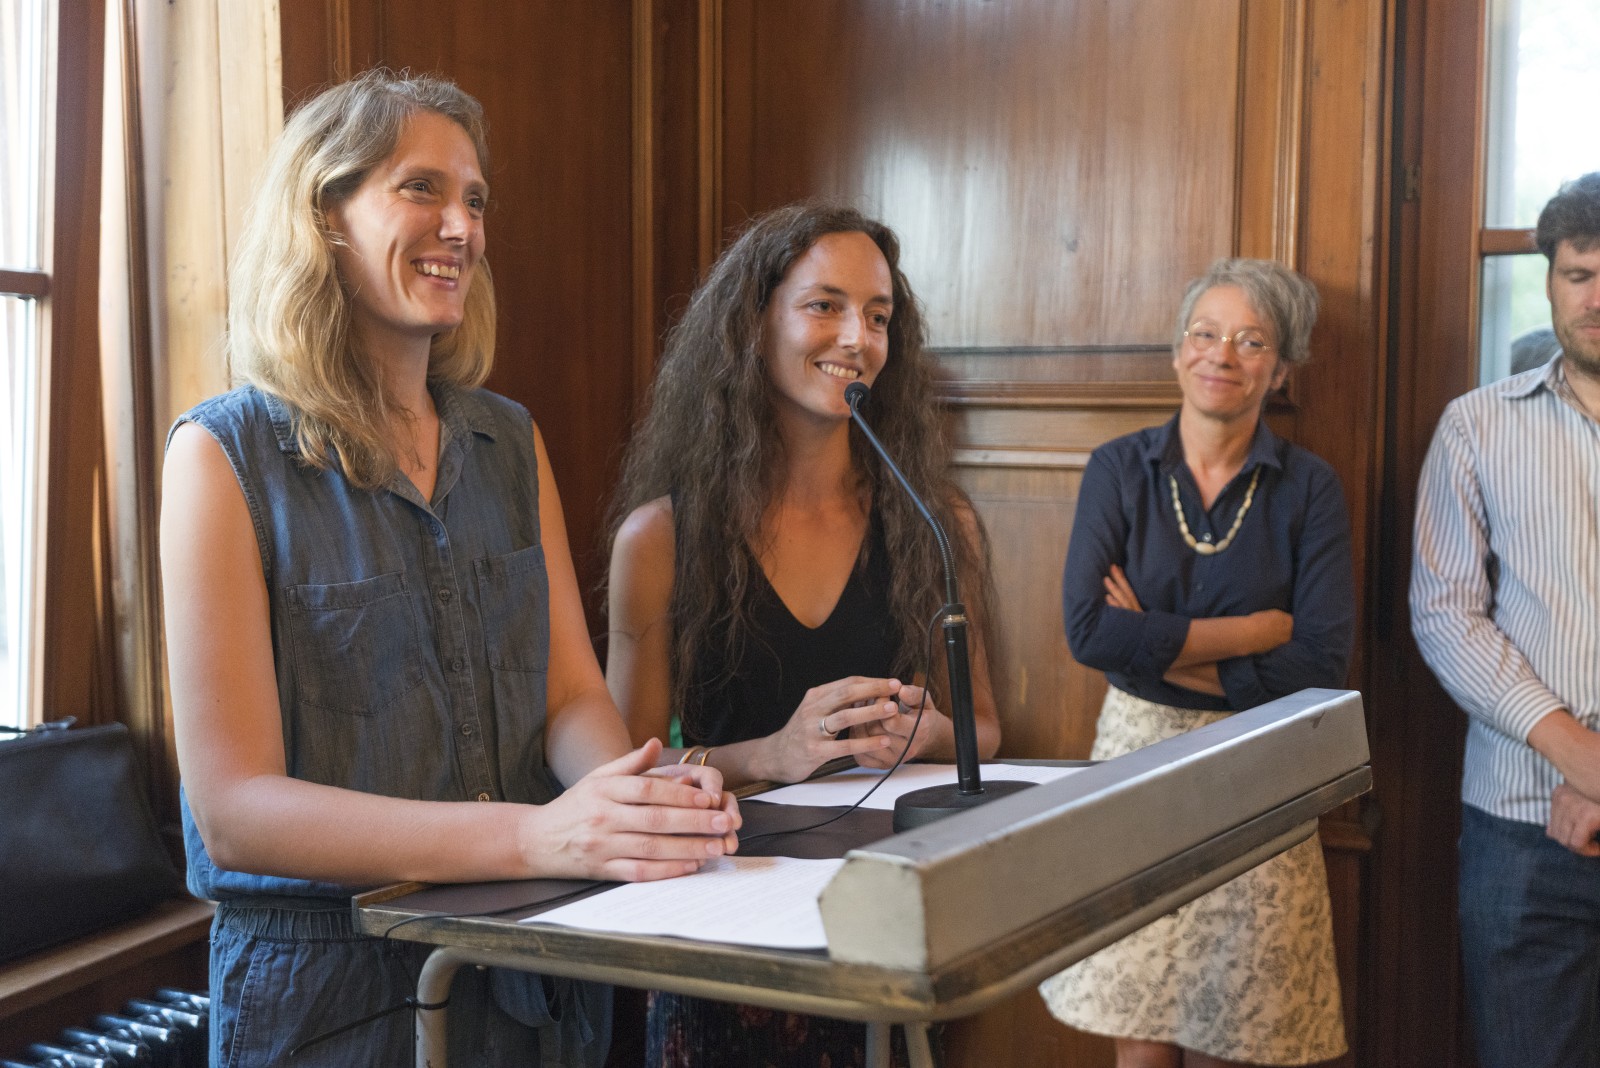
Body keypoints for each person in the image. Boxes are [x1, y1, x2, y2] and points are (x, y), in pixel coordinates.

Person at [159, 69, 739, 1068]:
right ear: (322, 215)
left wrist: (639, 807)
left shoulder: (507, 441)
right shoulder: (222, 456)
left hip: (525, 986)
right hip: (328, 1001)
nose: (461, 226)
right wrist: (538, 837)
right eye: (420, 188)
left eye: (474, 199)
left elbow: (565, 695)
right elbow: (237, 809)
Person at [604, 201, 1000, 1065]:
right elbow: (623, 772)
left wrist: (928, 733)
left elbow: (986, 730)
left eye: (880, 316)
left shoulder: (937, 523)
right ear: (753, 324)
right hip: (722, 933)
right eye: (824, 305)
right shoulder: (660, 540)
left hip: (883, 928)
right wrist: (771, 754)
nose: (857, 336)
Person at [1039, 258, 1354, 1067]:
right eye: (1205, 333)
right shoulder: (1119, 468)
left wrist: (1156, 646)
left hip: (1262, 760)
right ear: (1178, 352)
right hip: (1135, 759)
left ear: (1280, 369)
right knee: (1139, 1018)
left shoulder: (1310, 489)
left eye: (1251, 340)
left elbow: (1319, 662)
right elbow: (1088, 634)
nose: (1223, 353)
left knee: (1238, 1030)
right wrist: (1252, 632)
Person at [1411, 171, 1600, 1068]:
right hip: (1522, 838)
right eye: (1579, 273)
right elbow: (1446, 615)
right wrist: (1577, 753)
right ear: (1551, 281)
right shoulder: (1476, 428)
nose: (1597, 296)